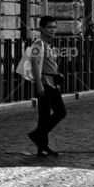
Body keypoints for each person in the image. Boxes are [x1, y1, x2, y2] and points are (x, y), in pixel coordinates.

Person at [27, 16, 67, 157]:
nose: (53, 30)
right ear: (42, 28)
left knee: (60, 112)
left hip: (52, 83)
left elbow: (52, 65)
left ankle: (39, 137)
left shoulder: (49, 44)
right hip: (43, 83)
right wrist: (38, 84)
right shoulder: (38, 44)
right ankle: (42, 145)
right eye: (49, 27)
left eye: (54, 27)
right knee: (44, 115)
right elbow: (34, 64)